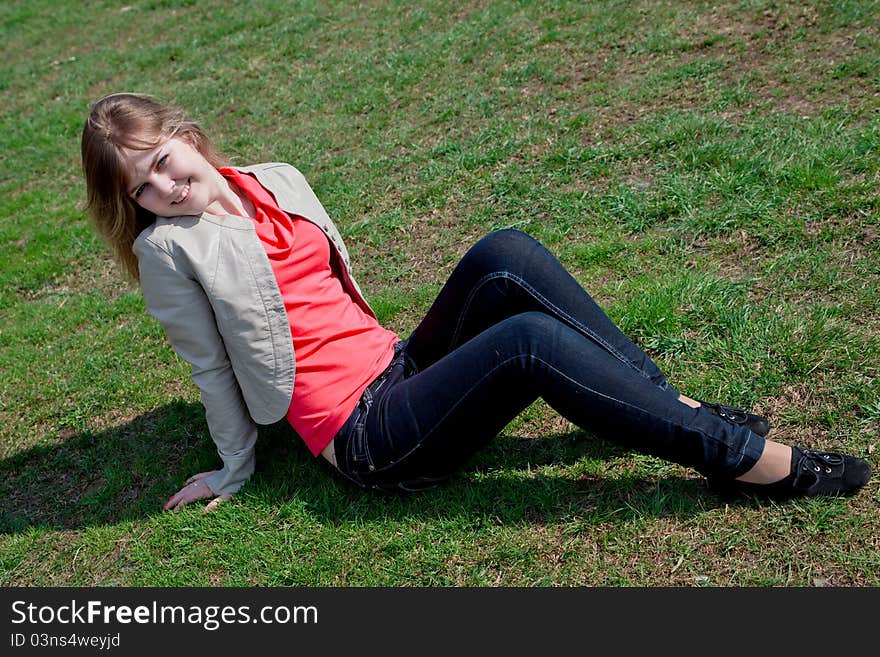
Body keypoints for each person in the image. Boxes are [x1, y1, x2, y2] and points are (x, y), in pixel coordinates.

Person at [81, 92, 871, 513]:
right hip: (365, 433)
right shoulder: (167, 251)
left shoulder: (275, 178)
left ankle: (666, 402)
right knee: (526, 340)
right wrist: (232, 467)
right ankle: (743, 460)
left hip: (396, 366)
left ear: (183, 133)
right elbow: (212, 368)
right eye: (139, 187)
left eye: (161, 161)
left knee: (507, 254)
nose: (163, 188)